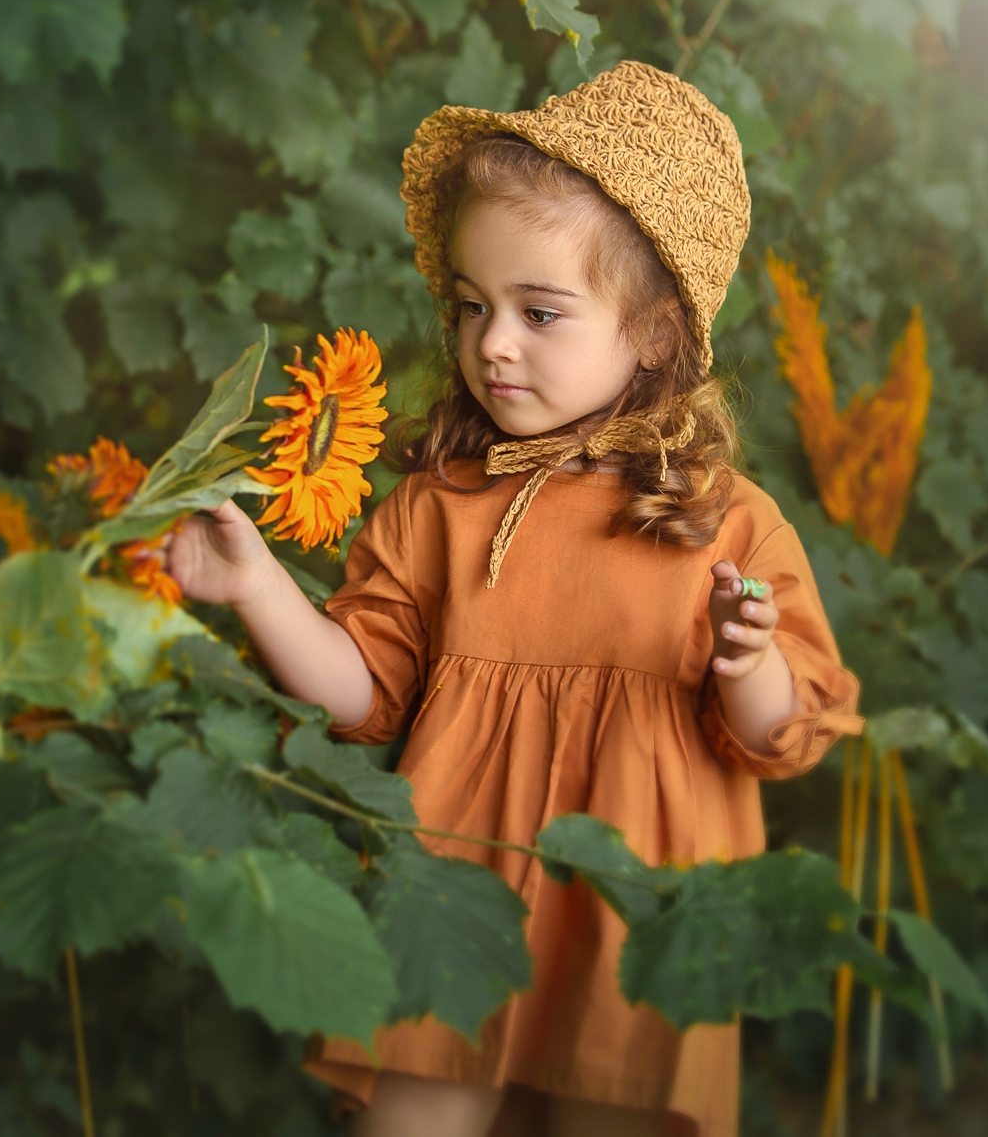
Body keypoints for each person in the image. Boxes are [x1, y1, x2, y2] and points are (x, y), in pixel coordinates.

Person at [165, 62, 862, 1137]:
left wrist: (749, 659)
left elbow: (780, 738)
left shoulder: (721, 524)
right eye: (471, 306)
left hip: (633, 913)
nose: (492, 342)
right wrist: (256, 585)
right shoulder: (441, 505)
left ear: (654, 332)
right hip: (455, 897)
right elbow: (362, 695)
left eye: (539, 312)